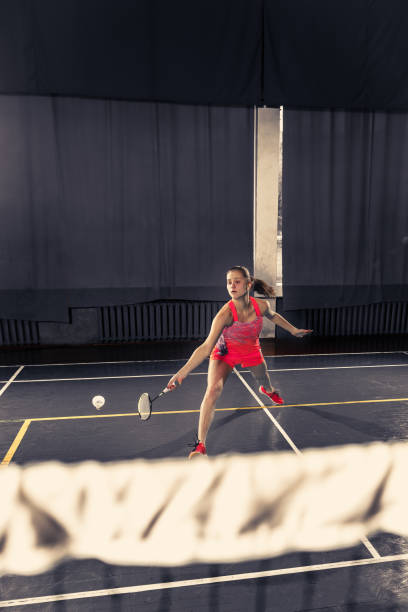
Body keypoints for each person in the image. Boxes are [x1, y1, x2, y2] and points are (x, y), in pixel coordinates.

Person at [167, 266, 312, 458]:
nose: (232, 285)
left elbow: (273, 316)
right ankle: (200, 445)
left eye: (237, 281)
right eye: (229, 282)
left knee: (265, 381)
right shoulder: (225, 314)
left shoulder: (260, 306)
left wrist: (293, 330)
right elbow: (206, 346)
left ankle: (267, 391)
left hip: (251, 349)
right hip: (224, 352)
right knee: (212, 390)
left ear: (248, 284)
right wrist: (182, 372)